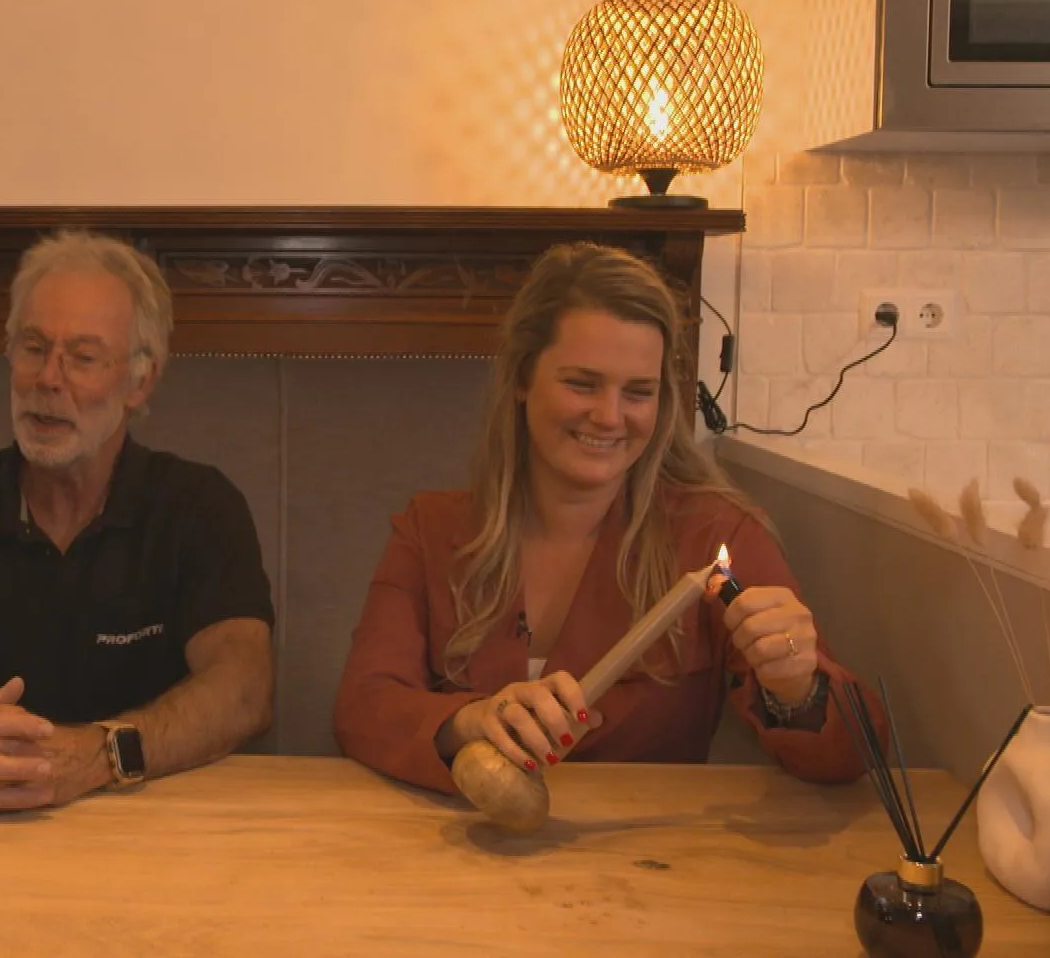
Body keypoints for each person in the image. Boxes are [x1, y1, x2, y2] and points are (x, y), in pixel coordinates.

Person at [334, 241, 882, 793]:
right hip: (463, 834)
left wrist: (797, 691)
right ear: (522, 378)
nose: (610, 416)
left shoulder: (717, 533)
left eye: (638, 392)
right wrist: (470, 722)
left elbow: (853, 753)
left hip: (648, 841)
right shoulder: (430, 530)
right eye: (582, 383)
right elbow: (364, 705)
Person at [0, 229, 274, 814]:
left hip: (153, 823)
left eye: (83, 357)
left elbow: (245, 689)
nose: (48, 379)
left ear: (140, 381)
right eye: (34, 347)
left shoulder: (199, 507)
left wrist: (96, 756)